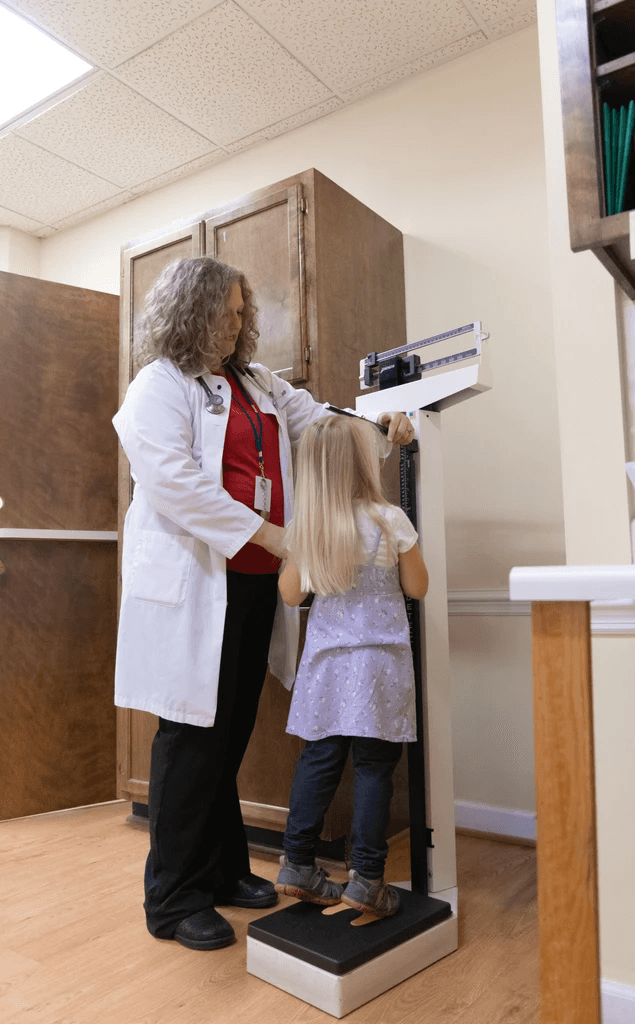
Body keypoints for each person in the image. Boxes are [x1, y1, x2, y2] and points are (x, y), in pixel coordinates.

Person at [112, 255, 415, 951]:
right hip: (197, 585)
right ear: (190, 310)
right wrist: (277, 536)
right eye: (226, 309)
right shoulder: (158, 386)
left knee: (227, 734)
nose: (238, 322)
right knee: (190, 740)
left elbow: (324, 422)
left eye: (243, 311)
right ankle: (174, 895)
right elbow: (174, 482)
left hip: (249, 585)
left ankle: (220, 874)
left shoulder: (257, 383)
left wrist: (383, 421)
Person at [274, 414, 429, 918]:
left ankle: (297, 864)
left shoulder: (309, 528)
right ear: (364, 462)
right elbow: (418, 587)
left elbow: (291, 592)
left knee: (319, 758)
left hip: (325, 666)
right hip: (378, 666)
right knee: (373, 767)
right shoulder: (390, 521)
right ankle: (365, 879)